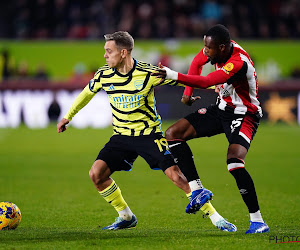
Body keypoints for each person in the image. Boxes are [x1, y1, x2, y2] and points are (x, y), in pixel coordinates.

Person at [57, 31, 236, 231]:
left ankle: (216, 217)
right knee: (96, 174)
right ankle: (125, 216)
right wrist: (68, 116)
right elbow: (86, 94)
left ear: (123, 52)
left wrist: (202, 92)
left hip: (149, 136)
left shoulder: (148, 73)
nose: (105, 56)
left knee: (176, 176)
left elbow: (184, 79)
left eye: (109, 51)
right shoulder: (103, 74)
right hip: (122, 136)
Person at [152, 24, 270, 234]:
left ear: (222, 48)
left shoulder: (238, 62)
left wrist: (172, 75)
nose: (205, 52)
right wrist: (187, 94)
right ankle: (197, 190)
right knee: (173, 134)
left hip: (245, 114)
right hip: (222, 109)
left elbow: (207, 81)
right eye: (204, 47)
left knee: (234, 162)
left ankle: (258, 221)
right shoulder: (215, 48)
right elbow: (197, 63)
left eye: (209, 49)